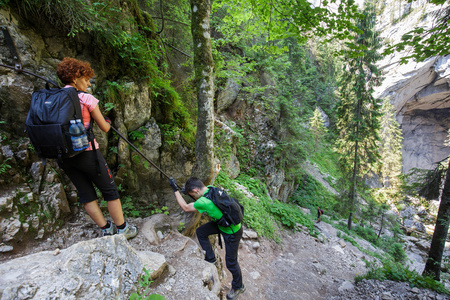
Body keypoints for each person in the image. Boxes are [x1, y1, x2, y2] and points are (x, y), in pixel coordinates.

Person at [56, 57, 137, 239]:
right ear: (75, 78)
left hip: (64, 156)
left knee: (86, 194)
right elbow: (105, 127)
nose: (88, 83)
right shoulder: (85, 99)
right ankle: (123, 229)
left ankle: (105, 229)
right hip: (87, 153)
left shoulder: (54, 98)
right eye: (85, 79)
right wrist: (106, 120)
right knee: (109, 191)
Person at [168, 177, 246, 300]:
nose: (193, 197)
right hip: (224, 224)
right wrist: (186, 192)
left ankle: (239, 286)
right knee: (201, 232)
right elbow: (199, 199)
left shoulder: (203, 202)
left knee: (231, 262)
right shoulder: (210, 189)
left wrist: (175, 190)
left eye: (191, 194)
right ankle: (211, 259)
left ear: (195, 190)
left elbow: (186, 207)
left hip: (232, 232)